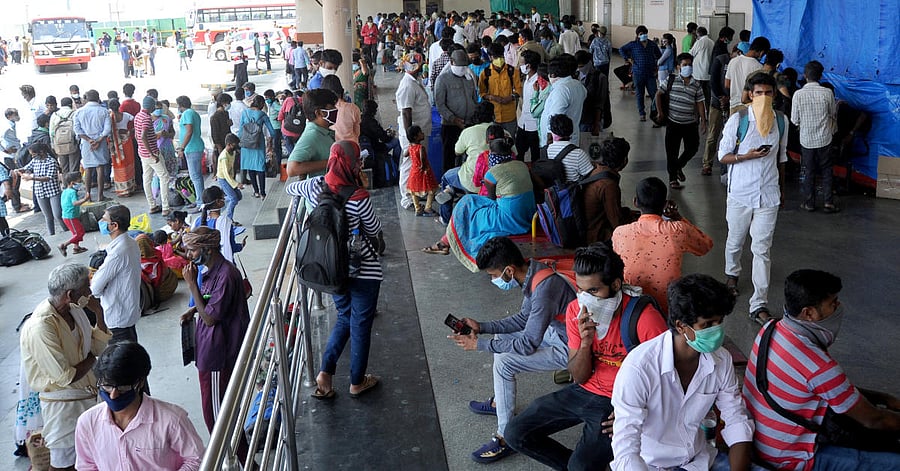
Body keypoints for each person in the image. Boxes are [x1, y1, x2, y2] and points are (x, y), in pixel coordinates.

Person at [504, 243, 669, 470]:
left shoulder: (644, 318)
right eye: (581, 290)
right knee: (515, 433)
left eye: (594, 291)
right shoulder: (576, 311)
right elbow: (579, 377)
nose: (586, 299)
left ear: (615, 285)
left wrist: (634, 416)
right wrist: (585, 344)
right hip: (586, 389)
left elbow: (667, 379)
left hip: (621, 400)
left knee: (580, 466)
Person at [744, 269, 900, 469]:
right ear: (809, 313)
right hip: (789, 458)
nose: (839, 307)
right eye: (832, 303)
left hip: (756, 438)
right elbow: (875, 419)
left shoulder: (771, 328)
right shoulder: (819, 366)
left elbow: (834, 388)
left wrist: (884, 398)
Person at [450, 236, 576, 463]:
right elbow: (523, 319)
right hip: (558, 331)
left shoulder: (544, 290)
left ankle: (505, 437)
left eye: (493, 275)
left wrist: (480, 344)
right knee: (503, 337)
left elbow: (528, 344)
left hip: (573, 348)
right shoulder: (534, 270)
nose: (493, 280)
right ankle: (501, 401)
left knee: (505, 362)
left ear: (508, 270)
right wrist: (483, 327)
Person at [611, 274, 753, 471]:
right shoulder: (639, 368)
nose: (717, 331)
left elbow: (735, 417)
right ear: (681, 326)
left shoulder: (721, 360)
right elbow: (626, 448)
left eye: (720, 322)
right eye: (708, 325)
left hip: (700, 460)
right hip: (652, 465)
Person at [285, 141, 385, 399]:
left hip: (331, 270)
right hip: (362, 270)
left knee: (344, 316)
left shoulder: (315, 186)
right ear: (352, 163)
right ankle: (357, 381)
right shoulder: (359, 197)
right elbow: (373, 231)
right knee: (360, 323)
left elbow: (290, 187)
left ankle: (326, 374)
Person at [20, 263, 111, 471]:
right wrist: (92, 359)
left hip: (88, 397)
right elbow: (66, 377)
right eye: (86, 289)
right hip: (62, 408)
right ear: (70, 294)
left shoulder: (75, 310)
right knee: (64, 463)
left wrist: (98, 312)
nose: (90, 292)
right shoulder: (41, 327)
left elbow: (99, 345)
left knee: (91, 457)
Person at [717, 72, 787, 325]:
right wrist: (746, 156)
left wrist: (782, 190)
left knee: (762, 248)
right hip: (740, 193)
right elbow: (722, 156)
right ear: (750, 94)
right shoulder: (739, 119)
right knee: (735, 240)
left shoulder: (781, 121)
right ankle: (732, 274)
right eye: (759, 93)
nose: (764, 97)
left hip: (768, 195)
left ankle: (759, 303)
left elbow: (781, 159)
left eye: (769, 93)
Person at [180, 227, 251, 450]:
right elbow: (210, 303)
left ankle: (236, 457)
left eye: (192, 250)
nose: (189, 255)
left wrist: (191, 285)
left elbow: (210, 318)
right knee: (216, 411)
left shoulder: (226, 274)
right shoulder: (213, 270)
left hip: (218, 357)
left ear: (207, 249)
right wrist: (193, 311)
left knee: (217, 416)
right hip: (211, 352)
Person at [424, 138, 535, 271]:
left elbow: (491, 199)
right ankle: (445, 241)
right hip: (527, 216)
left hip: (509, 219)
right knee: (468, 202)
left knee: (470, 214)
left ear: (493, 155)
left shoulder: (492, 174)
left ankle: (446, 242)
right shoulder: (521, 164)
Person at [612, 177, 714, 313]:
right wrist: (678, 217)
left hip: (633, 308)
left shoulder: (620, 233)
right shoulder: (678, 230)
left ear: (635, 202)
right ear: (665, 204)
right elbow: (705, 246)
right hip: (669, 307)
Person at [91, 205, 142, 345]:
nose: (101, 221)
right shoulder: (131, 243)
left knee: (122, 362)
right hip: (129, 311)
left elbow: (95, 289)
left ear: (114, 226)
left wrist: (96, 276)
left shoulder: (118, 253)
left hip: (118, 317)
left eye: (104, 219)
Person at [792, 60, 839, 213]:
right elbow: (833, 113)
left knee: (809, 170)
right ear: (820, 76)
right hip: (825, 138)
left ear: (805, 76)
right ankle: (828, 202)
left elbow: (794, 119)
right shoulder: (827, 93)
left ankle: (809, 203)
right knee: (826, 170)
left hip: (806, 139)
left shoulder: (798, 95)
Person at [655, 52, 707, 189]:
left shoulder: (696, 84)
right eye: (685, 65)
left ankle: (678, 167)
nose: (688, 67)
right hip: (673, 123)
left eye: (690, 65)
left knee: (693, 148)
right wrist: (660, 113)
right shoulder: (671, 80)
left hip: (690, 123)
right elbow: (658, 94)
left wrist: (703, 120)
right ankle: (673, 179)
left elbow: (700, 102)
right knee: (671, 151)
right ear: (678, 67)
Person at [395, 58, 431, 209]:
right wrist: (411, 139)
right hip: (413, 135)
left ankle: (415, 193)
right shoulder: (407, 85)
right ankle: (406, 198)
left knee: (417, 165)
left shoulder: (415, 81)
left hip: (419, 132)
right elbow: (406, 112)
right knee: (409, 165)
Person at [582, 137, 632, 244]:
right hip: (596, 235)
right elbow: (617, 223)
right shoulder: (609, 186)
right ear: (624, 160)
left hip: (588, 226)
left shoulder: (597, 170)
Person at [435, 49, 478, 174]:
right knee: (449, 156)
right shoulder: (442, 79)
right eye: (460, 66)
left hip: (468, 124)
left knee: (468, 157)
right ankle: (448, 184)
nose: (462, 69)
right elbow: (440, 104)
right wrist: (453, 119)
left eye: (465, 66)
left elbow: (474, 99)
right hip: (451, 125)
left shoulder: (469, 77)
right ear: (452, 62)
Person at [287, 89, 338, 179]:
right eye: (332, 107)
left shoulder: (323, 131)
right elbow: (292, 169)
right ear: (319, 113)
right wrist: (332, 162)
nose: (336, 110)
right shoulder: (312, 135)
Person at [539, 55, 587, 148]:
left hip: (558, 143)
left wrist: (549, 143)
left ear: (553, 75)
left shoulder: (561, 90)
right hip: (571, 137)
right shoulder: (578, 85)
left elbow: (555, 119)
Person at [16, 143, 64, 234]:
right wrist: (18, 170)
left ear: (41, 152)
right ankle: (52, 234)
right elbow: (27, 168)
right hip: (40, 192)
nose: (32, 156)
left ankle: (66, 230)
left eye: (33, 154)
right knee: (48, 216)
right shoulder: (35, 161)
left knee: (58, 215)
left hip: (53, 191)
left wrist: (32, 178)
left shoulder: (51, 161)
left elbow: (48, 177)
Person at [134, 95, 170, 216]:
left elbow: (138, 135)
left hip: (142, 153)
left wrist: (154, 135)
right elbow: (143, 136)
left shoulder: (138, 116)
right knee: (164, 177)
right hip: (152, 153)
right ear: (150, 107)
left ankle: (152, 205)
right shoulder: (146, 118)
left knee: (147, 178)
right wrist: (152, 154)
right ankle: (165, 207)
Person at [74, 90, 112, 201]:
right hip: (100, 143)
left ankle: (88, 195)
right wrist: (98, 140)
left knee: (88, 168)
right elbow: (107, 129)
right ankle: (100, 196)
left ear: (86, 98)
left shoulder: (79, 112)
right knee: (100, 167)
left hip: (86, 143)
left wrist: (89, 140)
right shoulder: (104, 111)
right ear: (98, 98)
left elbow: (77, 129)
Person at [619, 26, 662, 122]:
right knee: (640, 94)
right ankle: (642, 113)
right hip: (638, 73)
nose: (643, 36)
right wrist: (628, 58)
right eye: (641, 34)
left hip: (650, 74)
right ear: (637, 35)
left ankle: (655, 112)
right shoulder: (633, 45)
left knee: (654, 94)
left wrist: (655, 65)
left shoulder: (652, 44)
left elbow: (659, 55)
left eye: (645, 34)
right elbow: (621, 49)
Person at [479, 43, 522, 139]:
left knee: (510, 141)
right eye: (496, 57)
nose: (499, 59)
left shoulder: (512, 71)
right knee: (495, 142)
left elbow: (519, 89)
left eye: (501, 56)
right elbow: (481, 92)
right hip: (493, 116)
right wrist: (491, 97)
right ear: (490, 57)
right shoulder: (485, 73)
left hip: (510, 115)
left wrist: (511, 97)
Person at [192, 186, 245, 263]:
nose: (224, 200)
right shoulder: (224, 222)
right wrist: (241, 246)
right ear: (218, 202)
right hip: (219, 266)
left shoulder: (197, 221)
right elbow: (229, 246)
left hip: (202, 266)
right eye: (223, 198)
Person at [239, 95, 275, 199]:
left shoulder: (244, 113)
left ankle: (256, 191)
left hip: (246, 144)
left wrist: (240, 142)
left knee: (250, 167)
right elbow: (272, 132)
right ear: (262, 104)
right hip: (258, 144)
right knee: (260, 168)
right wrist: (270, 142)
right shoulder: (262, 115)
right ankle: (263, 193)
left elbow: (241, 130)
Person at [724, 37, 770, 113]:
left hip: (733, 104)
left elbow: (727, 85)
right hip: (749, 106)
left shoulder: (733, 61)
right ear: (761, 52)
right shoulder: (759, 67)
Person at [360, 99, 401, 182]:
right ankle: (395, 165)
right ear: (373, 111)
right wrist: (390, 135)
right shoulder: (372, 122)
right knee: (396, 142)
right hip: (376, 148)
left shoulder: (360, 119)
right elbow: (384, 138)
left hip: (365, 149)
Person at [176, 96, 205, 207]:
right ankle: (200, 198)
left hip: (192, 148)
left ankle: (200, 202)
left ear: (180, 105)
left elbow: (189, 132)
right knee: (197, 176)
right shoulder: (192, 113)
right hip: (194, 147)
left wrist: (182, 147)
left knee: (195, 176)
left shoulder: (187, 113)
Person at [546, 114, 594, 182]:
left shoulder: (545, 151)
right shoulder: (578, 154)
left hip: (549, 191)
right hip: (572, 191)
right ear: (571, 131)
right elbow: (590, 176)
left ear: (552, 131)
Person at [575, 50, 611, 136]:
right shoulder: (576, 75)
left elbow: (600, 103)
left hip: (590, 120)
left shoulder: (600, 78)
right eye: (578, 67)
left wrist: (596, 124)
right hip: (578, 117)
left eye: (582, 66)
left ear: (589, 63)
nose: (580, 69)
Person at [404, 125, 438, 216]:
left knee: (413, 190)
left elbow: (405, 154)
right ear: (415, 137)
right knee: (432, 189)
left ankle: (417, 208)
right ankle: (428, 207)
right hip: (424, 171)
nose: (423, 134)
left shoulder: (411, 147)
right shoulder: (420, 148)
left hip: (414, 171)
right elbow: (423, 158)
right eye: (420, 133)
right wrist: (423, 166)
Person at [515, 51, 541, 162]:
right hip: (523, 122)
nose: (519, 66)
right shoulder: (527, 79)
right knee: (519, 152)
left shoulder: (538, 82)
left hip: (534, 125)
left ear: (528, 65)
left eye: (521, 63)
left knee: (535, 155)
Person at [321, 75, 360, 143]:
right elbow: (357, 133)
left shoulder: (321, 111)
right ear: (341, 90)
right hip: (352, 148)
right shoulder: (353, 108)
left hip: (332, 150)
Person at [58, 172, 89, 256]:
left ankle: (76, 247)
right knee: (80, 233)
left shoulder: (65, 191)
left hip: (68, 215)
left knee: (76, 232)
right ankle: (64, 245)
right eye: (79, 181)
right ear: (72, 183)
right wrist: (85, 199)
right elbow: (75, 203)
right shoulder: (72, 192)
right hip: (70, 216)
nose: (81, 183)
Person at [50, 97, 80, 174]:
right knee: (74, 166)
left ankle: (65, 184)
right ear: (70, 104)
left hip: (59, 144)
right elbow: (77, 129)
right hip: (72, 143)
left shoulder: (54, 114)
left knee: (64, 167)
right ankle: (73, 183)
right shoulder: (74, 113)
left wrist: (53, 145)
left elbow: (51, 132)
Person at [218, 133, 244, 220]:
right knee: (234, 199)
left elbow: (232, 168)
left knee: (238, 197)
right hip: (223, 179)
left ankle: (219, 204)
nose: (236, 147)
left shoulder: (232, 153)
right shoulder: (224, 157)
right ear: (228, 145)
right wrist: (236, 184)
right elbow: (225, 174)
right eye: (234, 145)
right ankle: (228, 220)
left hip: (230, 178)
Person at [689, 26, 715, 110]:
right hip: (708, 73)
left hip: (698, 73)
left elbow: (691, 53)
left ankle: (698, 113)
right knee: (707, 95)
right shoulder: (712, 42)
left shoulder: (699, 42)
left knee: (698, 95)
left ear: (698, 34)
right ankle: (707, 112)